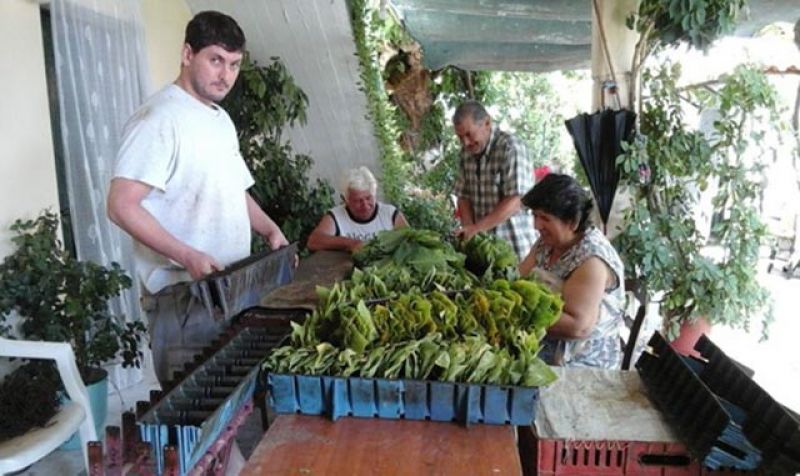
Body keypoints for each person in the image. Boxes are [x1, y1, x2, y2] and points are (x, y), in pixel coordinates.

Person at [107, 11, 290, 384]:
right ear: (188, 54)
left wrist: (271, 230)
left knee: (229, 404)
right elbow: (121, 205)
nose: (226, 75)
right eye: (216, 60)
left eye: (235, 64)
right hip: (185, 299)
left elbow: (233, 189)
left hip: (231, 287)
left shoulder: (220, 119)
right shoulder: (159, 119)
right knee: (194, 414)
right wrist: (187, 254)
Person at [518, 174, 625, 369]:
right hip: (543, 346)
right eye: (535, 215)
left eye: (545, 218)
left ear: (573, 222)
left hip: (581, 364)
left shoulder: (592, 259)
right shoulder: (548, 243)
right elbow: (519, 279)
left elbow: (578, 326)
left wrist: (516, 314)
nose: (536, 225)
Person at [452, 100, 536, 260]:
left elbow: (516, 200)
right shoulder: (465, 154)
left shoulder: (511, 148)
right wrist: (469, 229)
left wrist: (477, 229)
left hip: (515, 248)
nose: (465, 142)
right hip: (483, 252)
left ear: (487, 123)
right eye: (460, 137)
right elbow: (463, 196)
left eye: (469, 134)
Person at [307, 166, 407, 252]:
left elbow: (410, 240)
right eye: (358, 201)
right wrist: (350, 243)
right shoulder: (336, 216)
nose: (365, 205)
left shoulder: (390, 214)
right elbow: (314, 241)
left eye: (369, 198)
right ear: (346, 200)